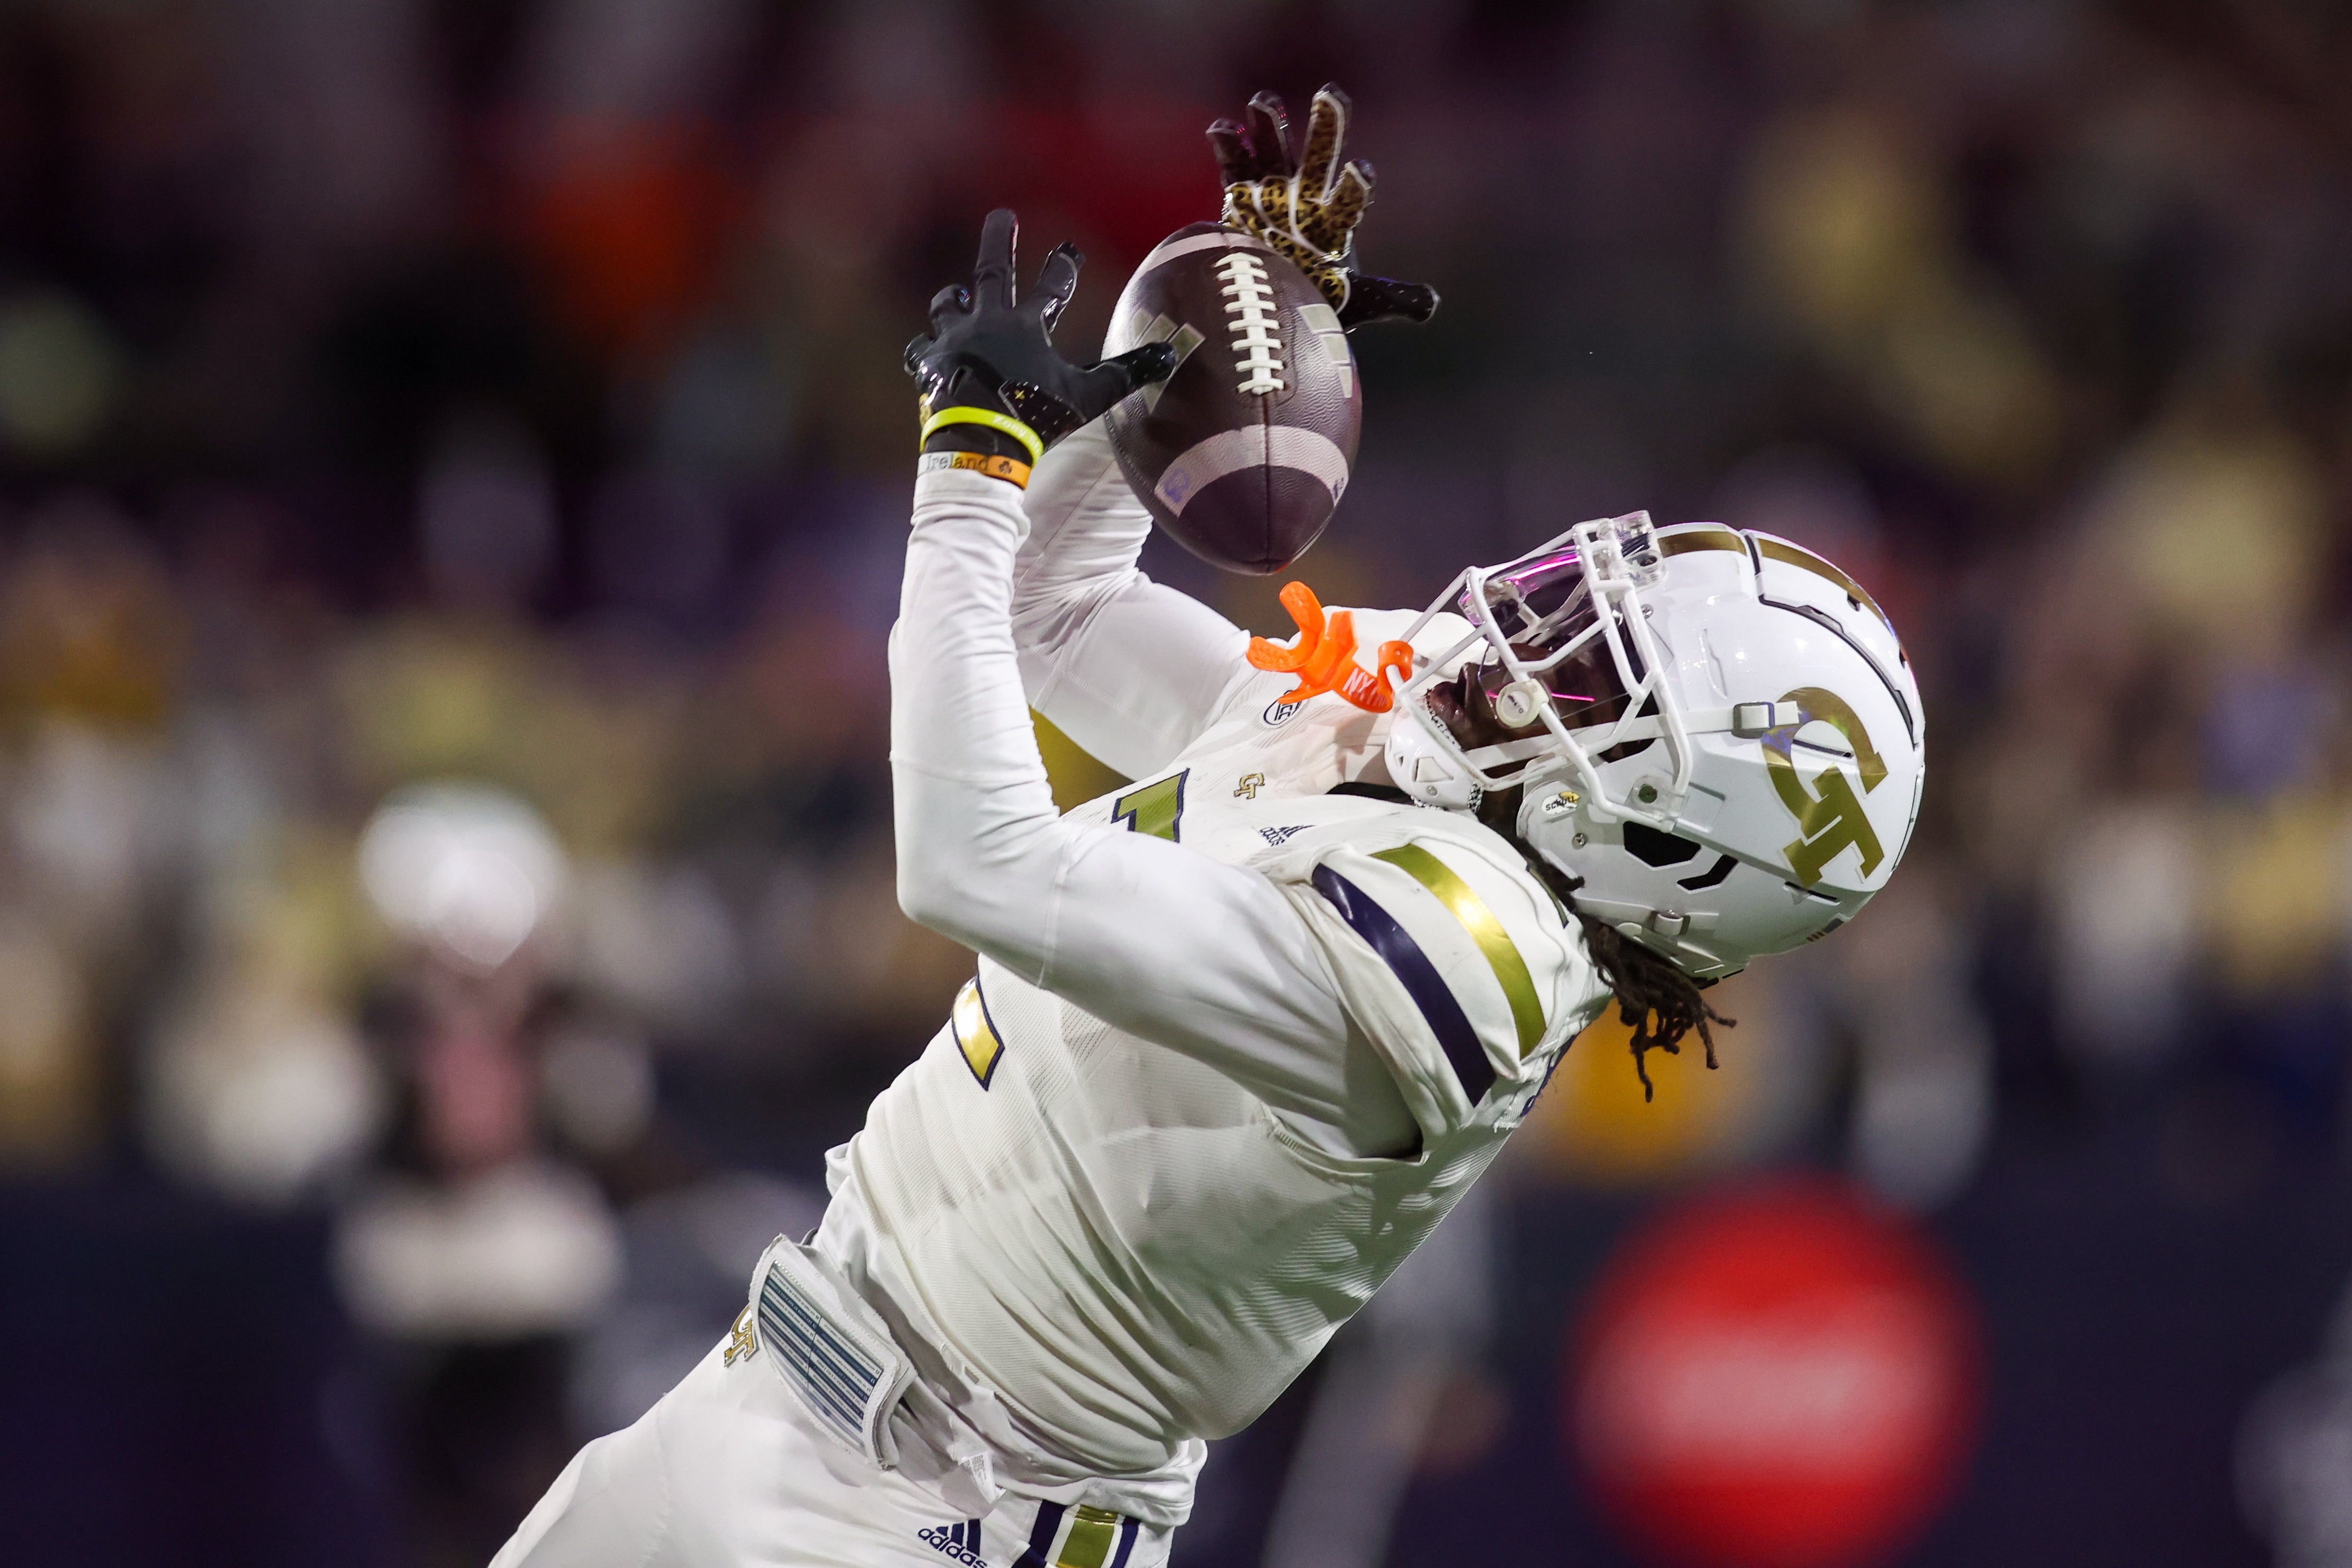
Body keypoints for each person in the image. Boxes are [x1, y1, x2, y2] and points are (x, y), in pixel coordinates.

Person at [494, 88, 1923, 1568]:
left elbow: (972, 861)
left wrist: (972, 466)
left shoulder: (1468, 962)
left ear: (1669, 843)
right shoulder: (1445, 749)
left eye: (1594, 665)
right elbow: (1062, 617)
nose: (1535, 622)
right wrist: (1193, 350)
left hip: (933, 1516)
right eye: (1583, 598)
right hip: (779, 1382)